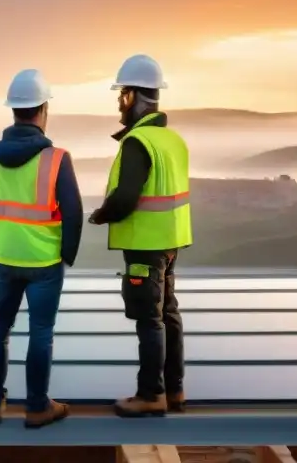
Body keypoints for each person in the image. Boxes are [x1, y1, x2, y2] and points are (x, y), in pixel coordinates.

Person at [0, 68, 83, 429]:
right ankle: (37, 407)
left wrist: (3, 240)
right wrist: (66, 255)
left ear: (14, 110)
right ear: (43, 110)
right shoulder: (56, 159)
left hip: (3, 259)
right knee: (41, 332)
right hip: (44, 263)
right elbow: (74, 213)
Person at [87, 54, 192, 418]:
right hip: (170, 242)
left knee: (149, 319)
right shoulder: (172, 141)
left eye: (121, 94)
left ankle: (150, 395)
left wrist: (102, 215)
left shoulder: (138, 142)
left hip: (145, 247)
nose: (119, 102)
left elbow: (127, 197)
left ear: (132, 97)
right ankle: (175, 390)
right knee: (169, 314)